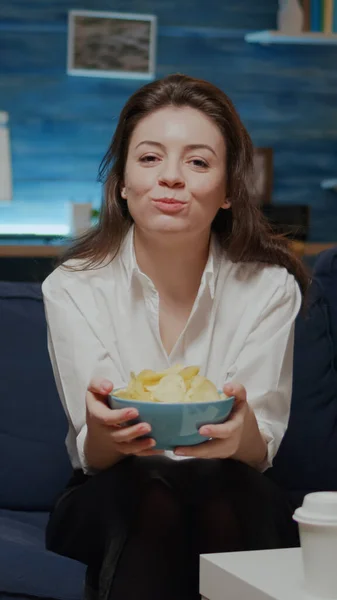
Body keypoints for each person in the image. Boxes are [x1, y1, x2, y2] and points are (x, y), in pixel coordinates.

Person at [42, 73, 309, 600]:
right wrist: (105, 432)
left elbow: (259, 453)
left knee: (218, 492)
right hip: (112, 490)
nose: (171, 178)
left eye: (198, 161)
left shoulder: (270, 288)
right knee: (154, 493)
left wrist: (241, 434)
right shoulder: (72, 288)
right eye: (149, 158)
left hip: (232, 486)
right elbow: (94, 456)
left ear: (230, 189)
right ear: (121, 182)